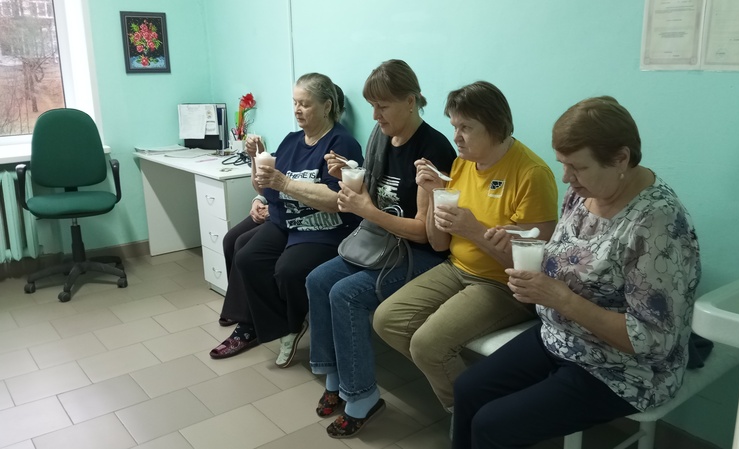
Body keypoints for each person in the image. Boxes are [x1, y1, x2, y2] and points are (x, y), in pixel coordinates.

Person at [451, 96, 702, 448]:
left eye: (577, 167)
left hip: (624, 368)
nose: (566, 178)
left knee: (492, 425)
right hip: (561, 336)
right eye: (562, 164)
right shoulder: (582, 193)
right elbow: (570, 255)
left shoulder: (657, 224)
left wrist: (561, 299)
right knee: (468, 389)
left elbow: (652, 340)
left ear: (621, 159)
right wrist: (519, 241)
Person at [372, 80, 560, 415]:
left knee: (428, 345)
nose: (456, 137)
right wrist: (432, 193)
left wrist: (474, 230)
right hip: (456, 268)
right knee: (387, 319)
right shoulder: (463, 164)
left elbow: (535, 267)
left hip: (504, 285)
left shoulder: (531, 174)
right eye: (454, 126)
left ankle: (472, 415)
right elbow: (439, 242)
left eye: (466, 128)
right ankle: (476, 392)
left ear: (496, 127)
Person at [306, 59, 456, 439]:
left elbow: (424, 234)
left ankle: (362, 398)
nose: (375, 115)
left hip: (420, 255)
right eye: (372, 106)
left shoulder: (433, 149)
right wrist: (347, 176)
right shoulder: (380, 136)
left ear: (411, 101)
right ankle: (335, 377)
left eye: (383, 106)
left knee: (346, 295)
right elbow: (373, 198)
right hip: (381, 242)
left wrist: (367, 210)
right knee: (318, 280)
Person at [210, 73, 363, 369]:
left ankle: (292, 326)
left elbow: (337, 200)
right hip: (287, 221)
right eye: (295, 103)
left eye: (305, 104)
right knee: (247, 257)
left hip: (323, 227)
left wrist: (285, 184)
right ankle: (271, 324)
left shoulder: (341, 144)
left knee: (287, 269)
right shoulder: (292, 141)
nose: (297, 110)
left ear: (327, 106)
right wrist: (255, 159)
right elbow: (265, 186)